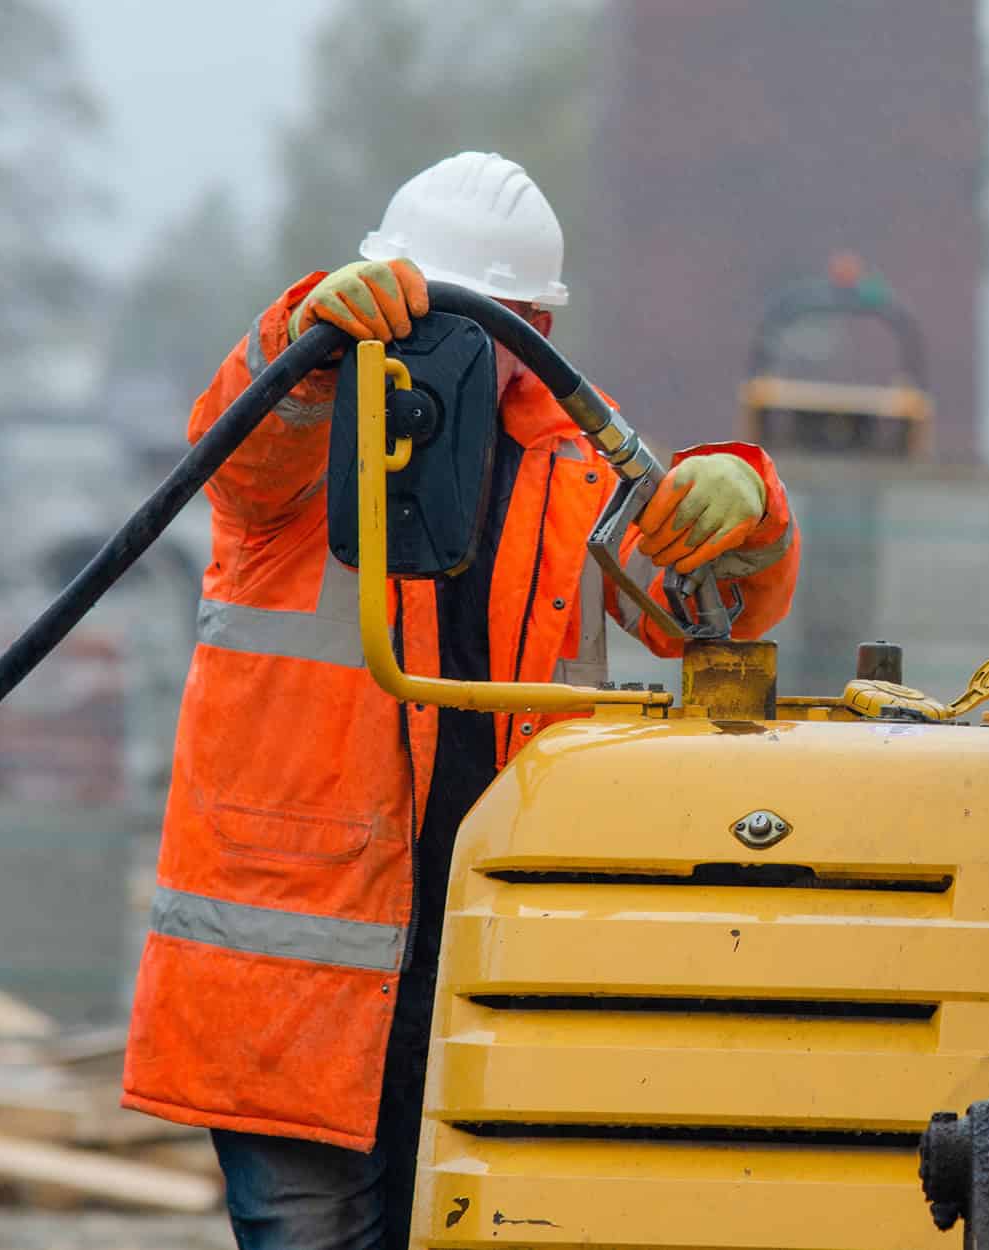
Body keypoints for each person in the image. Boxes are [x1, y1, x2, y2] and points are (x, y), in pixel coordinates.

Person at [118, 151, 801, 1250]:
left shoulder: (580, 456)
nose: (468, 341)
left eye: (502, 318)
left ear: (538, 322)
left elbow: (701, 608)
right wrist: (304, 334)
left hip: (490, 956)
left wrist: (749, 506)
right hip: (304, 966)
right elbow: (240, 459)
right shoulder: (305, 428)